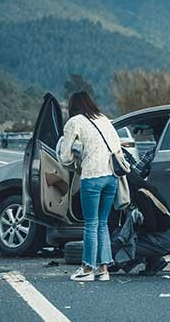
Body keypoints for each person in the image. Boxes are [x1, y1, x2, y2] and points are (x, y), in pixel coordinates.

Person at [58, 91, 122, 282]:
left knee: (91, 224)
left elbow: (64, 156)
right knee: (102, 223)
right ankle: (103, 269)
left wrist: (77, 155)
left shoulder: (74, 122)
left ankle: (86, 268)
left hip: (93, 176)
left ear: (73, 107)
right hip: (112, 176)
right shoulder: (104, 118)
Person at [109, 149, 170, 276]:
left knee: (123, 248)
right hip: (160, 236)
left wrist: (128, 237)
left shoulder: (141, 195)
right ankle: (153, 260)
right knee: (120, 240)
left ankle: (154, 259)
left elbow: (152, 226)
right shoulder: (142, 189)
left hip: (161, 239)